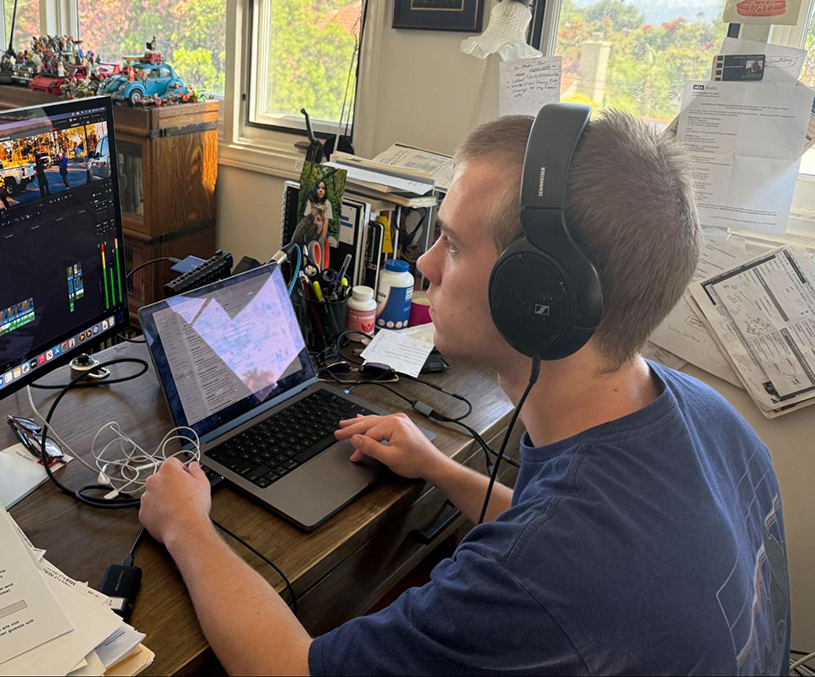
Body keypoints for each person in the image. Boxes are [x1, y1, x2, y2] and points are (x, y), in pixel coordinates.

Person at [138, 111, 790, 676]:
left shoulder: (534, 579)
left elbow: (287, 668)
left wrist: (186, 526)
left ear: (537, 296)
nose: (425, 264)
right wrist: (439, 468)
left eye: (451, 243)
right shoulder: (711, 417)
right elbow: (568, 534)